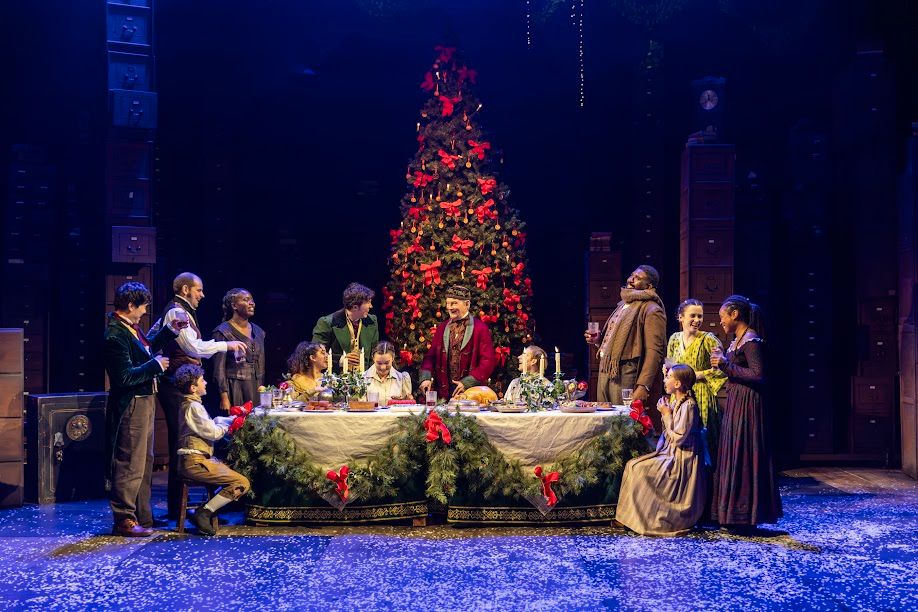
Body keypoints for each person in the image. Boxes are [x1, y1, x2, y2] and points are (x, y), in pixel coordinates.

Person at [152, 272, 248, 519]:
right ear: (185, 289)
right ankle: (178, 508)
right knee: (181, 441)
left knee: (183, 439)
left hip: (177, 382)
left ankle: (181, 507)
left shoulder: (181, 311)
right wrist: (225, 345)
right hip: (174, 383)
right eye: (198, 290)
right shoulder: (177, 312)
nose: (202, 295)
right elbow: (192, 347)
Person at [104, 282, 187, 537]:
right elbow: (124, 378)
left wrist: (169, 332)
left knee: (145, 461)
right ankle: (124, 519)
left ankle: (143, 515)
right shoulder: (115, 335)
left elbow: (146, 348)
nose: (144, 312)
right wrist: (154, 366)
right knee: (130, 462)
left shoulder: (130, 328)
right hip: (132, 404)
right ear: (130, 305)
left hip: (146, 400)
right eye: (142, 307)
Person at [710, 295, 782, 529]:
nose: (720, 322)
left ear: (734, 315)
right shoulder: (737, 340)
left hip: (748, 404)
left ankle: (745, 514)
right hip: (737, 400)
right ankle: (731, 513)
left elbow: (757, 375)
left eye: (723, 317)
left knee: (744, 452)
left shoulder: (751, 340)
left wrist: (724, 364)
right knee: (734, 452)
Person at [615, 364, 707, 536]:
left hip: (682, 459)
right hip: (670, 451)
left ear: (678, 384)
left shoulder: (689, 405)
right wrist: (667, 413)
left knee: (640, 470)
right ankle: (629, 517)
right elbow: (669, 433)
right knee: (632, 465)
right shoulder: (676, 401)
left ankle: (646, 518)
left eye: (669, 377)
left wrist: (666, 414)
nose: (665, 380)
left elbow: (679, 438)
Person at [173, 364, 250, 536]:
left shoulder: (193, 405)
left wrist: (231, 419)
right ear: (193, 388)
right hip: (195, 462)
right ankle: (204, 511)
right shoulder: (193, 407)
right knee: (242, 482)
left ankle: (206, 508)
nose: (206, 383)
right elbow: (213, 432)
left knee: (234, 471)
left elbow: (211, 422)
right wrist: (231, 426)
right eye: (202, 381)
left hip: (199, 460)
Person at [585, 265, 666, 405]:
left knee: (622, 421)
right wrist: (599, 340)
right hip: (606, 367)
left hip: (626, 372)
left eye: (638, 278)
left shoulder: (652, 309)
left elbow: (655, 351)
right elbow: (615, 340)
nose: (631, 279)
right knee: (604, 419)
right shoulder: (624, 305)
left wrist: (643, 385)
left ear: (649, 285)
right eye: (632, 275)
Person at [665, 298, 726, 462]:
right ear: (681, 317)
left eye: (700, 316)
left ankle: (704, 481)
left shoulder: (708, 339)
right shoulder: (674, 339)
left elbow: (721, 369)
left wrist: (694, 375)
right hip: (678, 395)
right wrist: (668, 371)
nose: (697, 320)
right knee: (678, 435)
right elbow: (669, 364)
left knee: (700, 439)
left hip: (701, 395)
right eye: (693, 316)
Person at [419, 285, 496, 399]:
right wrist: (425, 378)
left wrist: (467, 382)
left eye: (454, 303)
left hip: (470, 395)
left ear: (467, 304)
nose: (449, 307)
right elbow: (430, 357)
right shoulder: (442, 328)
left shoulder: (480, 328)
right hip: (443, 395)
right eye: (448, 303)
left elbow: (487, 362)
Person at [212, 288, 266, 411]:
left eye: (252, 300)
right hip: (235, 387)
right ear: (234, 305)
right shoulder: (222, 331)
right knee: (239, 426)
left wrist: (263, 391)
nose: (251, 303)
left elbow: (261, 363)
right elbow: (218, 369)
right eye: (246, 300)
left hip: (256, 386)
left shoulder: (258, 331)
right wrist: (224, 396)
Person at [312, 282, 378, 373]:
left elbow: (375, 352)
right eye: (368, 303)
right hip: (338, 378)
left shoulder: (372, 321)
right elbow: (316, 353)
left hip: (365, 378)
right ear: (355, 307)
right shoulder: (327, 323)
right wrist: (341, 360)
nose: (371, 306)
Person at [363, 341, 412, 406]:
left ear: (393, 358)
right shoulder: (363, 379)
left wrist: (405, 400)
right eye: (379, 363)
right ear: (373, 358)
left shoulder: (402, 379)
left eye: (386, 363)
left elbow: (408, 408)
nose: (383, 367)